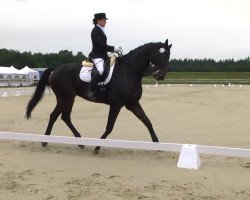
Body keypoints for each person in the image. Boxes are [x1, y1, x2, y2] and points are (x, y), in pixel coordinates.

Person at [86, 13, 122, 100]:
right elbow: (100, 45)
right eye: (104, 20)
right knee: (101, 70)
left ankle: (106, 87)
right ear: (98, 20)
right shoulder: (95, 30)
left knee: (113, 67)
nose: (105, 22)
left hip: (103, 55)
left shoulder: (101, 30)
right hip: (96, 56)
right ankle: (90, 91)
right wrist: (113, 48)